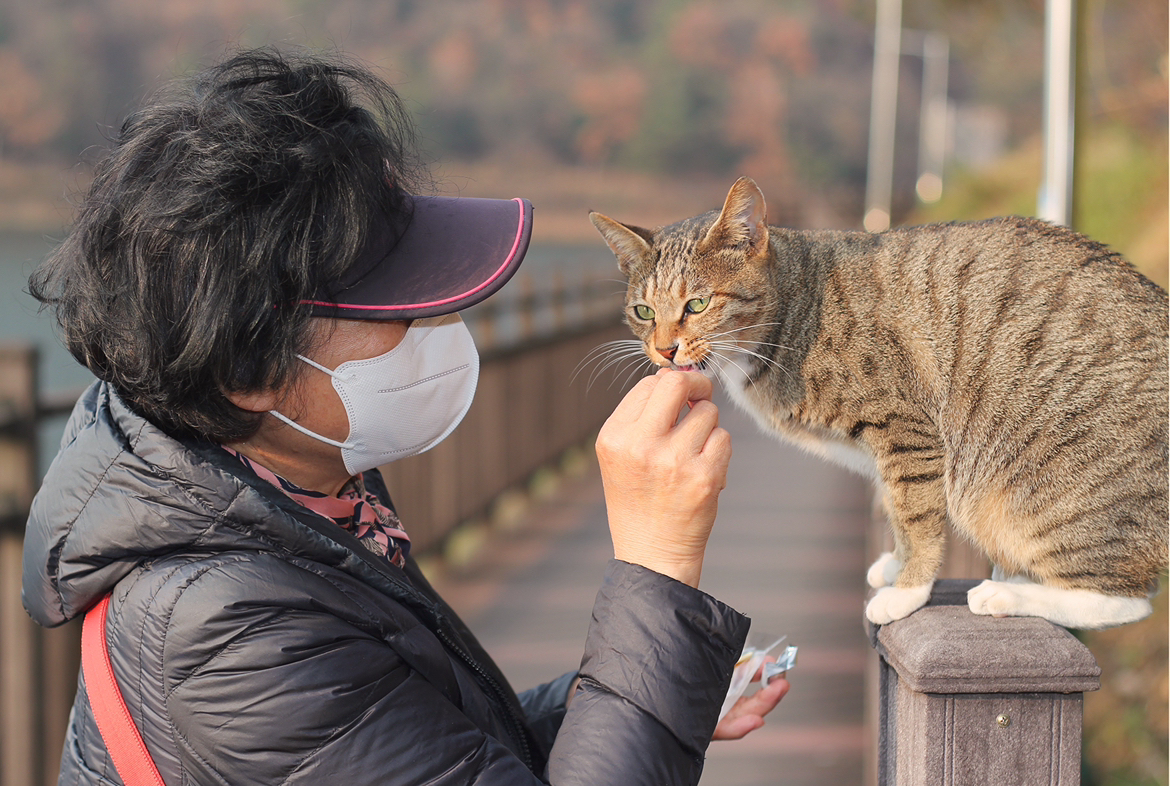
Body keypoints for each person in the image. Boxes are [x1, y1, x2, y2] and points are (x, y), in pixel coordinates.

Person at [23, 47, 787, 785]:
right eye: (399, 300)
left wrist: (662, 691)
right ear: (248, 368)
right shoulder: (223, 632)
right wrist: (656, 563)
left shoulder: (296, 500)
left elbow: (434, 749)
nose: (444, 316)